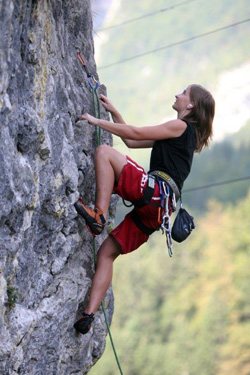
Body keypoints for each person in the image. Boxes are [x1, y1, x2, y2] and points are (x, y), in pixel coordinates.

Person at [74, 84, 215, 334]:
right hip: (159, 211)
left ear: (190, 105)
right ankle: (88, 314)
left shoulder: (181, 126)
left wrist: (96, 121)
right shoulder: (184, 135)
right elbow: (130, 140)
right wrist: (115, 113)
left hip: (155, 193)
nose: (177, 95)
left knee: (104, 152)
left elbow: (136, 132)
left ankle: (99, 214)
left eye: (183, 93)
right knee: (106, 253)